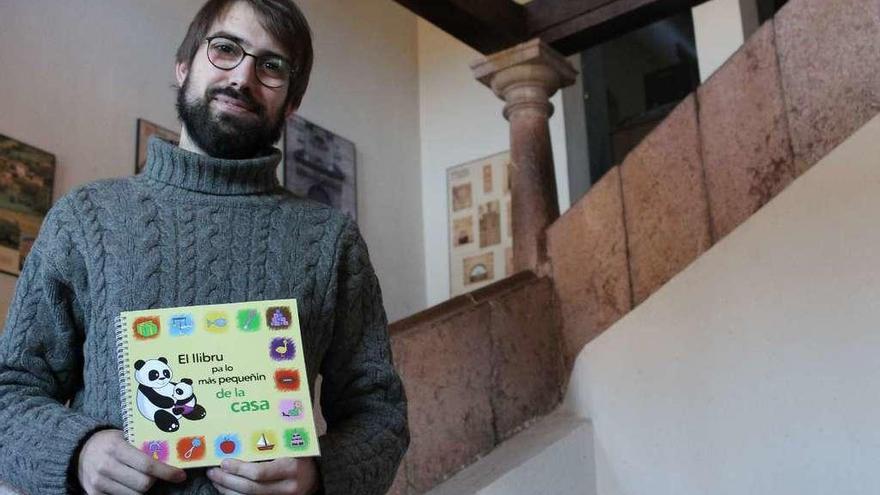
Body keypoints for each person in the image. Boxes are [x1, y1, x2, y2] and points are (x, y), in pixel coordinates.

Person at [0, 0, 409, 493]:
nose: (243, 76)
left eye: (271, 66)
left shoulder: (330, 241)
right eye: (225, 49)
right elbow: (10, 392)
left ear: (292, 102)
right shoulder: (85, 218)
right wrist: (78, 451)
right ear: (183, 65)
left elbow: (380, 413)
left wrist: (318, 475)